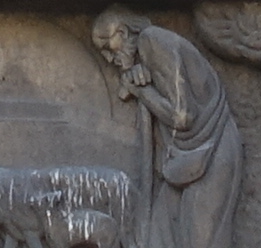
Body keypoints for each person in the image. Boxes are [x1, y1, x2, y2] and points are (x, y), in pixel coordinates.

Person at [93, 15, 238, 248]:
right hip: (182, 163)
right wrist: (139, 81)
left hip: (210, 153)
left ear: (122, 33)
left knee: (201, 241)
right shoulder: (144, 53)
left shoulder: (153, 40)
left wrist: (142, 92)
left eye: (106, 46)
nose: (108, 58)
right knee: (158, 236)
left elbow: (182, 116)